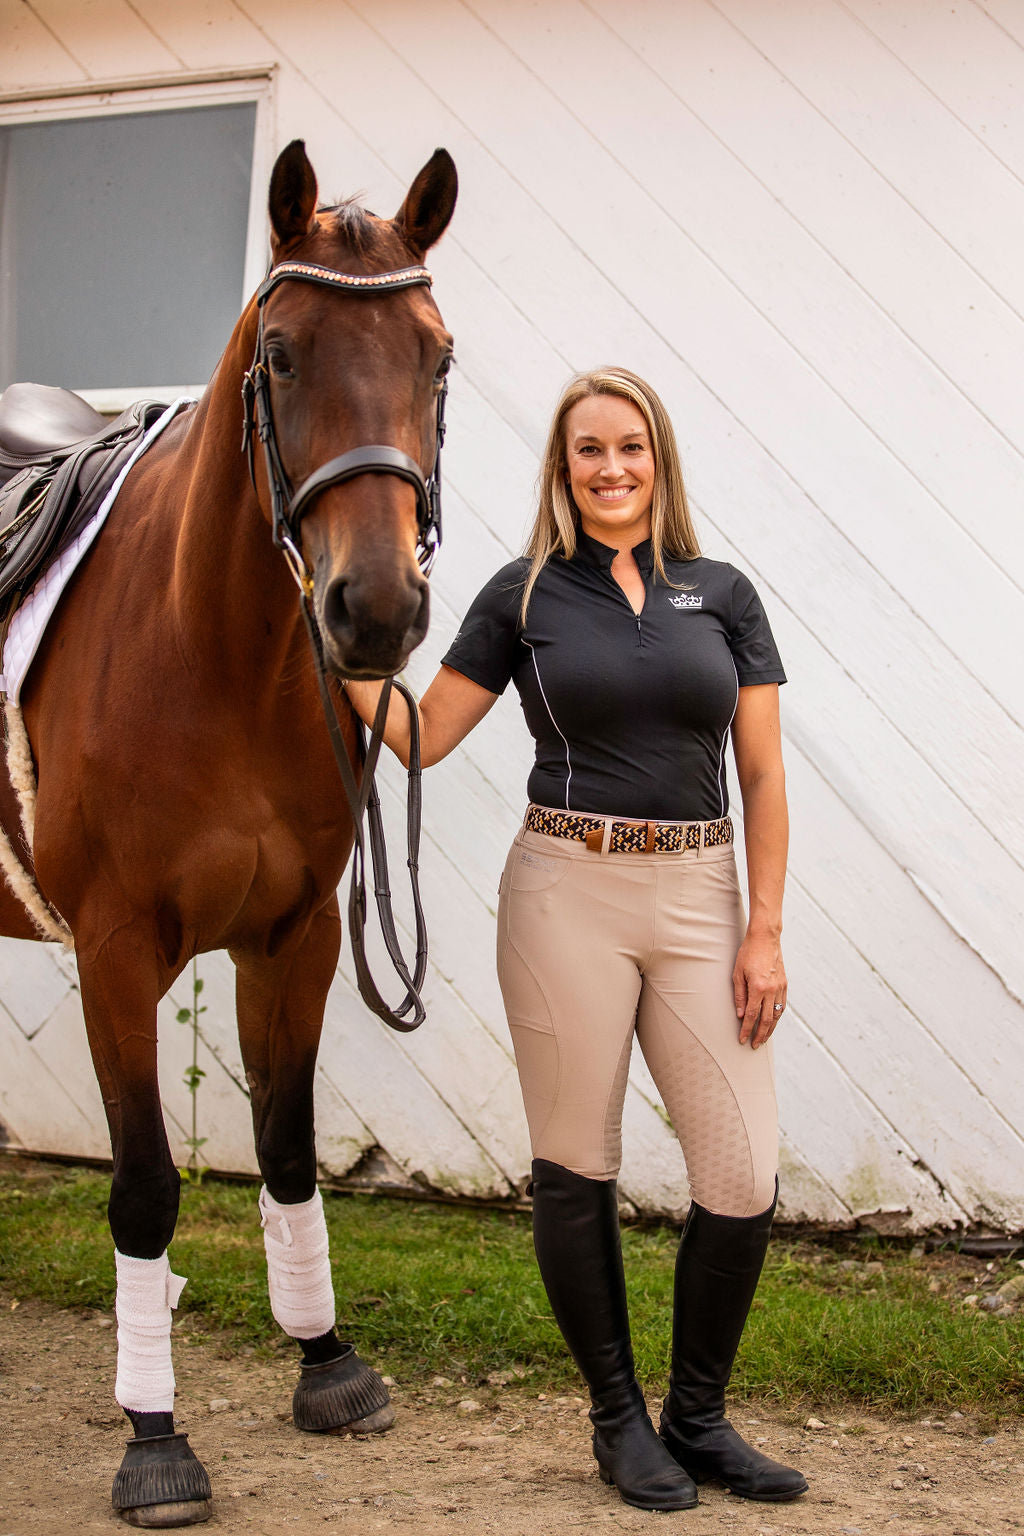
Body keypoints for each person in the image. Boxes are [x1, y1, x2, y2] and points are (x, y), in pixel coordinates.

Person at [345, 366, 807, 1513]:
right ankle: (618, 1422)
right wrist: (337, 645)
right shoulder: (523, 595)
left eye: (630, 446)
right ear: (560, 469)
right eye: (586, 450)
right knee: (575, 1163)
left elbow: (760, 771)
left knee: (742, 1176)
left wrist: (765, 930)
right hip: (563, 890)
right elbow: (421, 735)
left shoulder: (724, 594)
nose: (610, 468)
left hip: (701, 896)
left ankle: (697, 1420)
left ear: (660, 459)